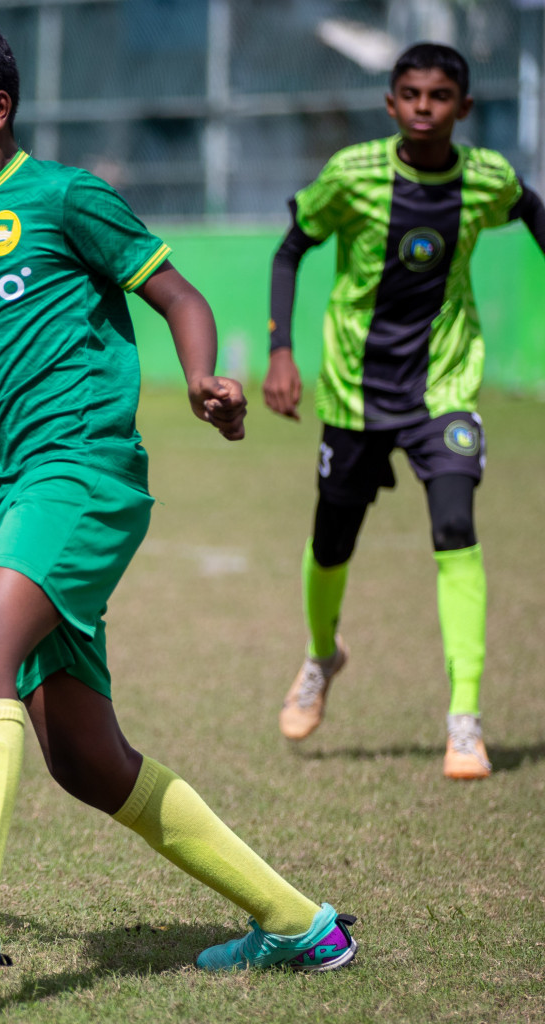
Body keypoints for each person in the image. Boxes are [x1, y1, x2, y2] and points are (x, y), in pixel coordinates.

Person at [0, 12, 356, 1006]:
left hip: (82, 473)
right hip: (3, 506)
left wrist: (201, 377)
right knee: (88, 760)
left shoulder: (62, 198)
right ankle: (301, 924)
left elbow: (178, 296)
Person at [265, 43, 545, 780]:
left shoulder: (486, 179)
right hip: (356, 393)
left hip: (444, 389)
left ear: (464, 107)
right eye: (411, 94)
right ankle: (322, 656)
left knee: (455, 527)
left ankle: (465, 722)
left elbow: (534, 210)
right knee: (332, 542)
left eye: (440, 95)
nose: (424, 107)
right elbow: (290, 250)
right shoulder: (353, 174)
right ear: (391, 104)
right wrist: (281, 353)